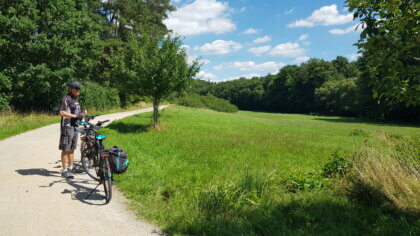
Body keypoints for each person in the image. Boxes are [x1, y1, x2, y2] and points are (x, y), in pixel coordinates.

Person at [58, 81, 84, 179]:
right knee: (66, 148)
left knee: (72, 148)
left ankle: (71, 167)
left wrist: (81, 113)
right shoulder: (66, 98)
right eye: (76, 88)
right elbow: (62, 112)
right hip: (67, 126)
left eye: (79, 88)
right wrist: (75, 116)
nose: (78, 90)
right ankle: (64, 171)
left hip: (75, 126)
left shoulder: (75, 99)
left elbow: (75, 111)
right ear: (70, 89)